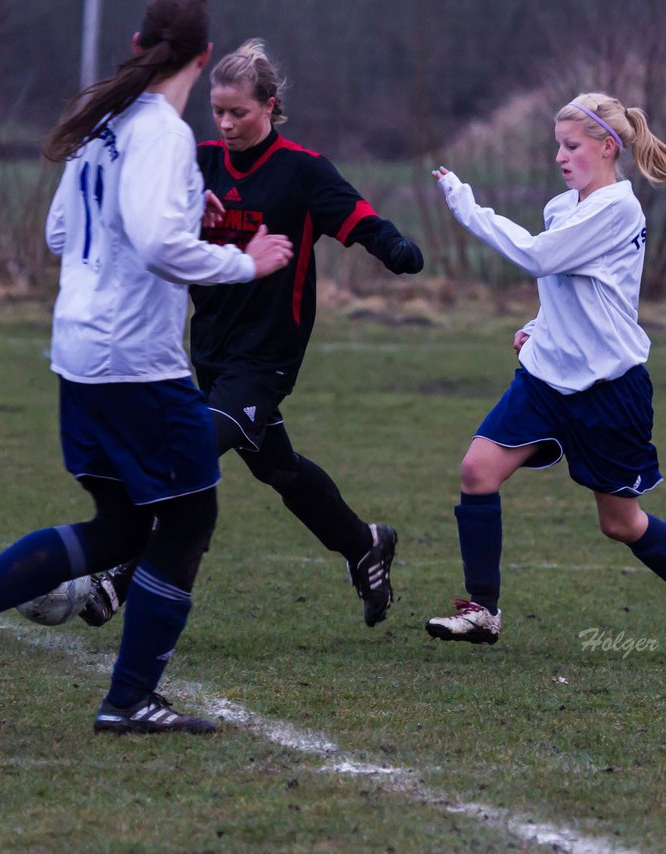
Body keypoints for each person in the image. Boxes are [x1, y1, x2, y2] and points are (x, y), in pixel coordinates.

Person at [0, 0, 293, 735]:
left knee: (119, 527)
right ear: (202, 60)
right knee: (189, 514)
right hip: (134, 360)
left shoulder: (105, 123)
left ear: (140, 45)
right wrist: (246, 260)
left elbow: (59, 233)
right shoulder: (162, 133)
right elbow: (151, 245)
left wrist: (178, 210)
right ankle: (130, 699)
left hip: (78, 352)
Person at [79, 39, 424, 631]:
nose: (227, 122)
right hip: (208, 349)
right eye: (218, 111)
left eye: (239, 111)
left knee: (189, 450)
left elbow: (360, 217)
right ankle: (364, 543)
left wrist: (393, 247)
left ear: (269, 106)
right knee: (277, 468)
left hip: (267, 357)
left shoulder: (302, 171)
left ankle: (122, 570)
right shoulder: (200, 161)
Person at [424, 92, 666, 660]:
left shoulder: (618, 209)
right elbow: (571, 287)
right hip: (546, 380)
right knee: (476, 471)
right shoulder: (561, 207)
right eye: (557, 147)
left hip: (609, 389)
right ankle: (482, 610)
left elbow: (540, 259)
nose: (561, 157)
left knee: (620, 523)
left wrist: (469, 209)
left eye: (571, 146)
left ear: (607, 147)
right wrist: (539, 325)